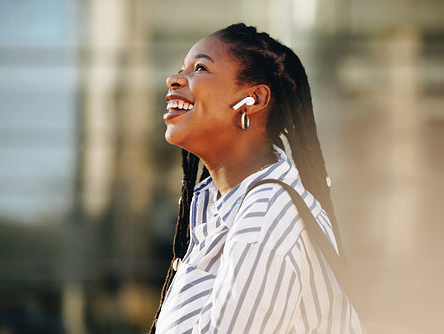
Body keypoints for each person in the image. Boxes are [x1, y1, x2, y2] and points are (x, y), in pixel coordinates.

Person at [149, 23, 362, 334]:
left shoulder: (265, 216)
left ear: (253, 100)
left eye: (200, 68)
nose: (174, 79)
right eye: (182, 68)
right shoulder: (219, 207)